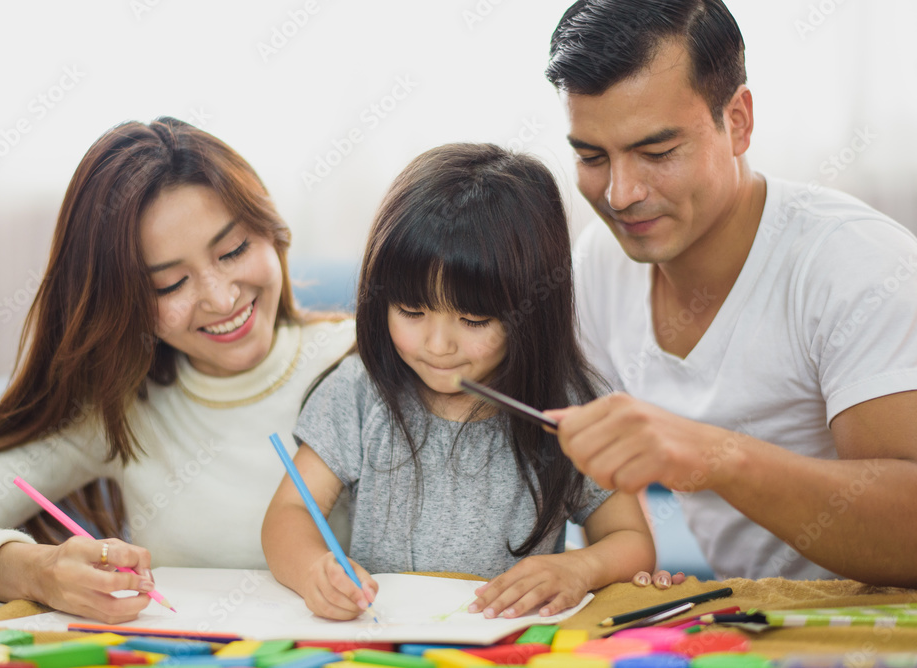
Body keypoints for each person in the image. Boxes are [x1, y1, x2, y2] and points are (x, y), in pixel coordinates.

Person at [0, 117, 355, 622]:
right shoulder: (123, 410)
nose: (220, 297)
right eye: (170, 285)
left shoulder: (369, 363)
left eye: (233, 251)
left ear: (274, 231)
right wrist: (40, 571)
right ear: (124, 305)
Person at [542, 0, 917, 586]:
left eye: (658, 152)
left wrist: (714, 456)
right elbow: (601, 485)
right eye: (591, 156)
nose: (619, 194)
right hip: (738, 618)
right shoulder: (599, 263)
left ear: (738, 121)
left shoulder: (854, 265)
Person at [261, 143, 655, 621]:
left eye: (472, 319)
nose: (438, 345)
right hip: (384, 642)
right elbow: (288, 513)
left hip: (509, 647)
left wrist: (580, 568)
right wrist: (313, 570)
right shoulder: (360, 391)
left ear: (530, 314)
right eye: (411, 311)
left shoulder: (568, 408)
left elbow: (631, 541)